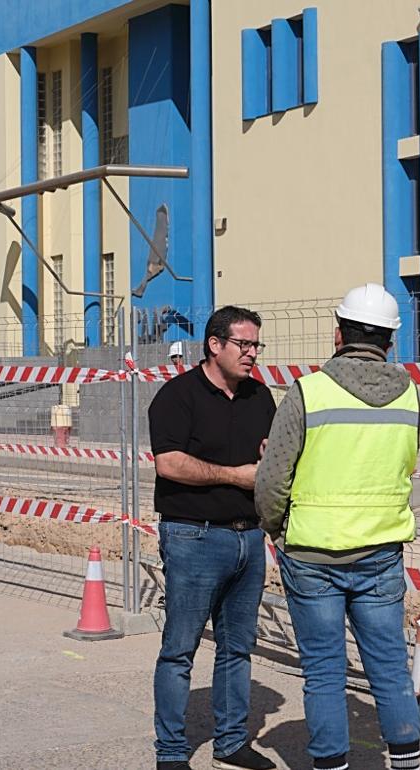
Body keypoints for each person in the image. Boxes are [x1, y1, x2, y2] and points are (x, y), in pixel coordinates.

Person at [254, 283, 420, 770]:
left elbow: (272, 480)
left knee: (324, 670)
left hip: (312, 554)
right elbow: (404, 466)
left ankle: (331, 762)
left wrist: (276, 528)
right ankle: (407, 759)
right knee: (389, 665)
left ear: (337, 334)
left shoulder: (308, 392)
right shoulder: (411, 395)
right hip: (381, 551)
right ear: (391, 340)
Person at [149, 306, 278, 770]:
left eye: (256, 345)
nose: (252, 354)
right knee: (180, 649)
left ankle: (230, 741)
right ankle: (170, 751)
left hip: (249, 539)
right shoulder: (176, 397)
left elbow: (272, 459)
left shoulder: (260, 397)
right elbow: (170, 463)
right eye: (244, 345)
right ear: (214, 344)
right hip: (194, 538)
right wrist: (237, 477)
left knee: (237, 647)